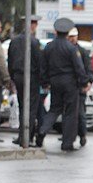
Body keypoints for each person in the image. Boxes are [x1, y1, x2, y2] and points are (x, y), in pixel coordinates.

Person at [37, 18, 87, 151]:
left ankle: (42, 130)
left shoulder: (48, 46)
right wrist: (83, 82)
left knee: (54, 109)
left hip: (54, 82)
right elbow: (79, 67)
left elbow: (43, 67)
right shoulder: (71, 48)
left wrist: (45, 82)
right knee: (70, 113)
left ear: (56, 31)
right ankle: (67, 143)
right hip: (70, 83)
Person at [8, 15, 44, 147]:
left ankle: (21, 136)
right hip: (31, 77)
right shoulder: (34, 42)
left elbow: (10, 61)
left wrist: (12, 78)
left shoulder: (14, 41)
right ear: (33, 25)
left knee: (22, 106)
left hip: (18, 76)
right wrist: (42, 79)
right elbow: (39, 62)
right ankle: (27, 137)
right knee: (31, 108)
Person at [68, 27, 93, 147]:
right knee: (69, 114)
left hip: (80, 87)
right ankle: (69, 136)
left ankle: (82, 135)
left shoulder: (82, 51)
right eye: (70, 36)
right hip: (71, 87)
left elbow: (88, 69)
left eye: (74, 36)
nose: (72, 39)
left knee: (80, 113)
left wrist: (88, 83)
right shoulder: (68, 50)